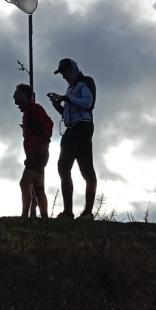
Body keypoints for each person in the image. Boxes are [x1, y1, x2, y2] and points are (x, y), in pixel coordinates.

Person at [47, 58, 97, 220]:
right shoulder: (70, 89)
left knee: (86, 169)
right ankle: (68, 212)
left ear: (73, 70)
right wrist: (58, 107)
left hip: (83, 128)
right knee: (63, 167)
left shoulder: (85, 83)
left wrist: (65, 99)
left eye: (65, 72)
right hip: (71, 129)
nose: (63, 76)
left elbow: (88, 104)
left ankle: (88, 212)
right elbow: (69, 113)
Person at [14, 83, 53, 218]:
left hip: (37, 153)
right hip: (36, 153)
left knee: (24, 183)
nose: (14, 96)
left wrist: (45, 143)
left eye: (17, 93)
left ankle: (25, 214)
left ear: (25, 95)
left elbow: (49, 123)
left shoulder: (34, 109)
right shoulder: (27, 112)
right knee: (39, 188)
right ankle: (44, 216)